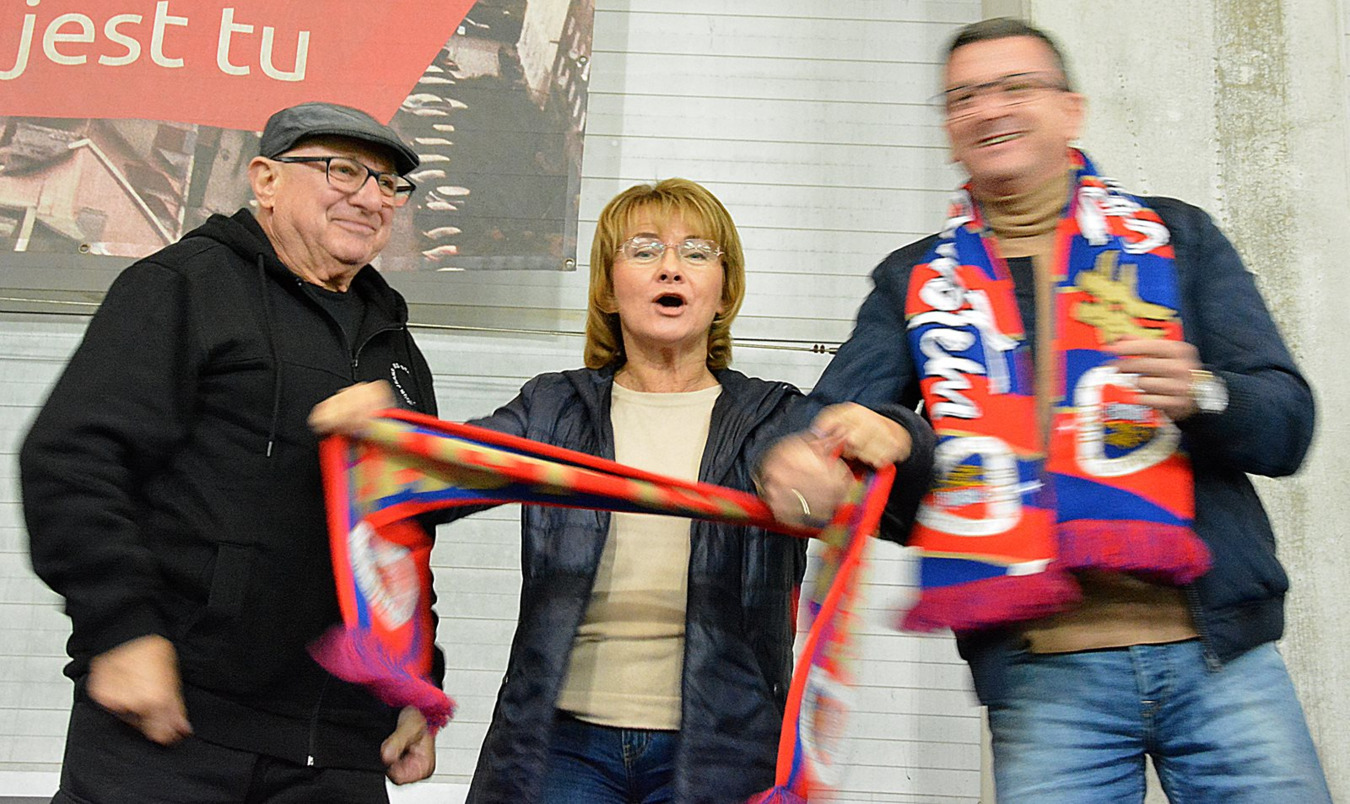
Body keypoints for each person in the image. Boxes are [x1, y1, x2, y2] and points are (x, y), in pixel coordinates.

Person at [759, 18, 1332, 802]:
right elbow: (836, 429)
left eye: (1015, 87)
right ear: (949, 132)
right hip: (1041, 677)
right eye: (965, 97)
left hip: (1220, 653)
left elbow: (1288, 425)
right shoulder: (914, 281)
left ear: (1071, 110)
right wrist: (829, 459)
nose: (990, 109)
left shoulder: (1176, 239)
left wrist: (1203, 394)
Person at [313, 178, 931, 803]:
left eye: (697, 252)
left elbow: (896, 513)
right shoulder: (551, 406)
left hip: (724, 750)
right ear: (608, 289)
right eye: (643, 250)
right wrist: (381, 434)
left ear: (725, 291)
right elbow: (442, 478)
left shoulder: (780, 418)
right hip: (560, 746)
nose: (671, 267)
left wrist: (900, 436)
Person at [21, 102, 442, 803]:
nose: (371, 198)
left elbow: (401, 531)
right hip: (174, 725)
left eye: (388, 184)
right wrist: (122, 632)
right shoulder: (183, 286)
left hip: (339, 746)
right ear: (266, 180)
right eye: (343, 171)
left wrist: (414, 681)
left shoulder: (393, 345)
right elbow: (72, 462)